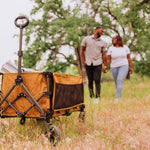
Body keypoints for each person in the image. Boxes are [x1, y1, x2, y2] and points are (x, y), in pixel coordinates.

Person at [80, 27, 107, 103]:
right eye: (101, 31)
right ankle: (91, 96)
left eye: (103, 32)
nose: (102, 33)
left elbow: (104, 55)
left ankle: (97, 97)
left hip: (98, 63)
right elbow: (81, 50)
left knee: (97, 80)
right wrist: (83, 61)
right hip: (88, 62)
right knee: (90, 80)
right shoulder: (86, 39)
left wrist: (105, 66)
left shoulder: (102, 42)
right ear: (96, 30)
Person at [106, 36, 133, 101]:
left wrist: (131, 67)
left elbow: (129, 58)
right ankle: (119, 96)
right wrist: (105, 66)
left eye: (115, 39)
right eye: (113, 39)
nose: (113, 40)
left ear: (119, 40)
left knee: (119, 80)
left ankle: (117, 98)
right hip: (114, 67)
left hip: (124, 65)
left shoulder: (125, 47)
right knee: (117, 83)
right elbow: (108, 59)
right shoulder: (111, 48)